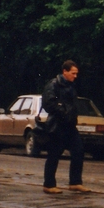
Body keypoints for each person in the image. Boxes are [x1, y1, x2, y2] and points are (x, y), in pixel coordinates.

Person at [41, 60, 87, 194]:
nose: (75, 76)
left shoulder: (71, 86)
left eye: (76, 73)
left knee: (78, 151)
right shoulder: (54, 84)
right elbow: (48, 104)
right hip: (57, 125)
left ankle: (75, 182)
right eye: (73, 73)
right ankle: (48, 185)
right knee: (54, 155)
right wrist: (63, 112)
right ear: (65, 72)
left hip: (70, 125)